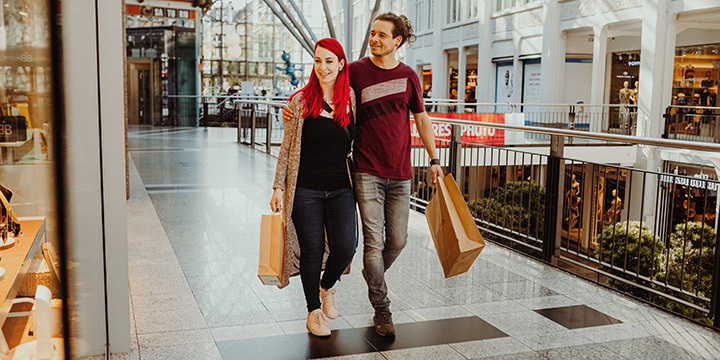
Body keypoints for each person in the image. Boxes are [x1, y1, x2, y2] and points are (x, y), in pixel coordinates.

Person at [283, 12, 443, 337]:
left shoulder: (410, 76)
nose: (374, 39)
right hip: (365, 171)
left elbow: (423, 120)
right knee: (371, 244)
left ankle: (366, 275)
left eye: (382, 35)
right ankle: (382, 310)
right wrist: (292, 103)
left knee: (397, 242)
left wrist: (435, 158)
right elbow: (324, 81)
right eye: (372, 33)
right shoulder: (355, 71)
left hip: (401, 173)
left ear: (397, 41)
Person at [270, 38, 357, 337]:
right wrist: (278, 187)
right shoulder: (300, 102)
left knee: (347, 246)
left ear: (341, 64)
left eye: (329, 61)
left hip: (341, 188)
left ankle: (327, 286)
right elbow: (287, 148)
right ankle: (313, 312)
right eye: (318, 61)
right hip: (305, 188)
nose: (323, 67)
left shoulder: (351, 99)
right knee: (312, 250)